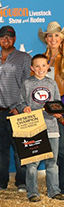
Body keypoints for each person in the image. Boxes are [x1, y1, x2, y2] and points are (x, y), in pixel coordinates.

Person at [0, 26, 31, 192]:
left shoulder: (24, 58)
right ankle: (1, 182)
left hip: (16, 111)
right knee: (0, 150)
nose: (6, 40)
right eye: (3, 37)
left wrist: (21, 106)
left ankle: (22, 181)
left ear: (15, 39)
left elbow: (28, 85)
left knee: (20, 149)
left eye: (9, 37)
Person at [17, 54, 64, 202]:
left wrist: (58, 112)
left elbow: (56, 103)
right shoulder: (26, 83)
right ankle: (32, 192)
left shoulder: (52, 84)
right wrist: (24, 108)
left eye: (43, 65)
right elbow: (20, 102)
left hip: (51, 127)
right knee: (32, 163)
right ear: (32, 68)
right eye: (37, 66)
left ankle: (54, 191)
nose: (40, 69)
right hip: (34, 127)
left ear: (48, 67)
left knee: (52, 162)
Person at [38, 21, 64, 194]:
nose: (53, 38)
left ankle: (61, 185)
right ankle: (56, 185)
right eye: (50, 35)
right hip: (45, 109)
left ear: (61, 38)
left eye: (56, 35)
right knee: (53, 149)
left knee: (61, 149)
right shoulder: (42, 59)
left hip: (61, 106)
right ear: (46, 39)